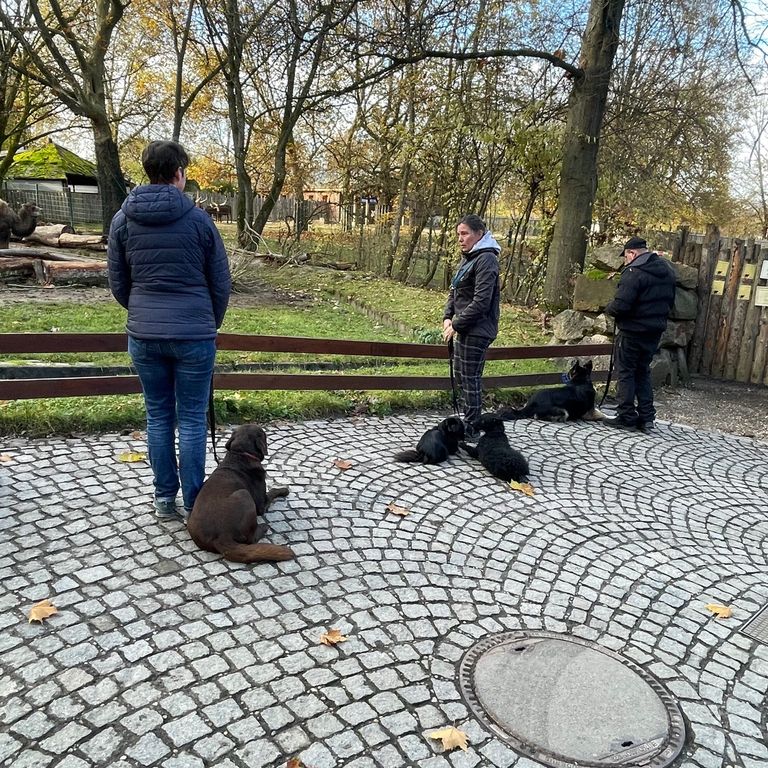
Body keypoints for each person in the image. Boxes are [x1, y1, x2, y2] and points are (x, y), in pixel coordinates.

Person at [108, 140, 231, 521]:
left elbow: (118, 281)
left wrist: (142, 313)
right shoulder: (199, 220)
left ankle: (164, 499)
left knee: (158, 416)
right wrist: (210, 322)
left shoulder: (122, 220)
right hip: (194, 334)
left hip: (144, 337)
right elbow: (220, 282)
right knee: (192, 417)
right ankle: (195, 501)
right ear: (179, 173)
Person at [604, 236, 676, 431]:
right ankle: (646, 417)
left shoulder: (634, 272)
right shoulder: (667, 270)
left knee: (626, 371)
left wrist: (608, 308)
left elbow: (622, 305)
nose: (626, 261)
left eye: (626, 257)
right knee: (643, 371)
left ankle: (626, 415)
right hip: (654, 332)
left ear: (632, 253)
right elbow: (670, 303)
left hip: (632, 331)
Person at [442, 214, 501, 438]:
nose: (460, 238)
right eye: (458, 234)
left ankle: (473, 427)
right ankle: (468, 421)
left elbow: (481, 302)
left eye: (464, 233)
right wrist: (447, 316)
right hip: (466, 326)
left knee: (470, 378)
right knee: (462, 376)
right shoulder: (469, 257)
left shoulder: (486, 259)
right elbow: (455, 290)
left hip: (478, 329)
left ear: (479, 234)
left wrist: (456, 324)